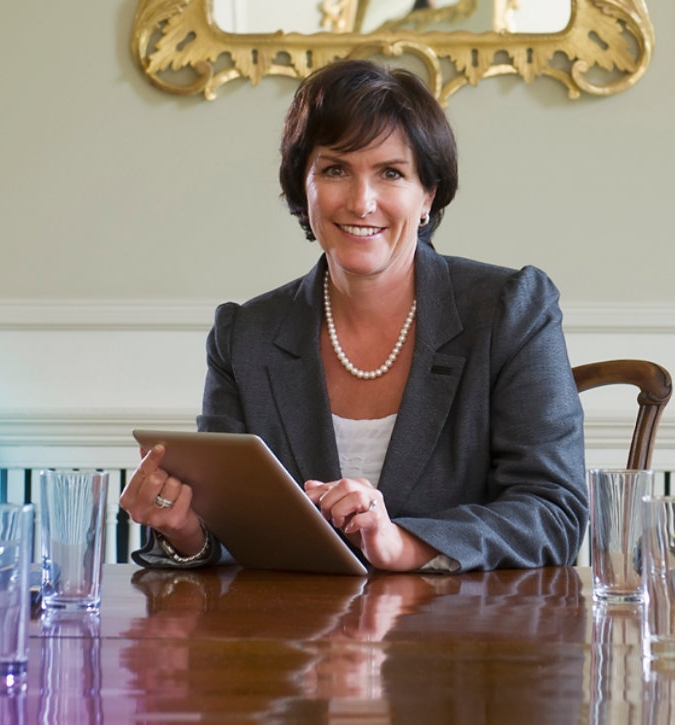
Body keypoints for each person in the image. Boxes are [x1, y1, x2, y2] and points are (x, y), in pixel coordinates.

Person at [120, 59, 586, 572]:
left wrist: (403, 543)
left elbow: (554, 512)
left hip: (462, 639)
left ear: (427, 194)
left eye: (391, 173)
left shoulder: (510, 309)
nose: (362, 202)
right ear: (305, 189)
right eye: (335, 169)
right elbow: (231, 527)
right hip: (296, 640)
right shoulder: (245, 334)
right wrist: (185, 529)